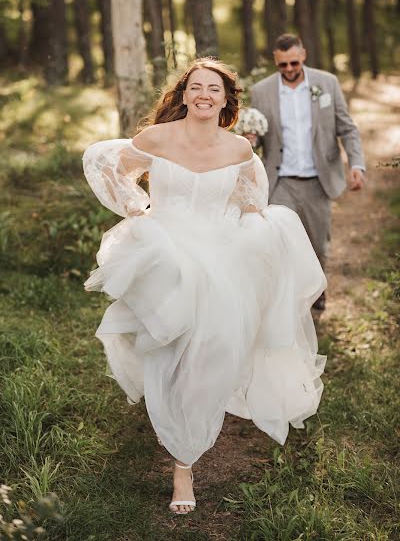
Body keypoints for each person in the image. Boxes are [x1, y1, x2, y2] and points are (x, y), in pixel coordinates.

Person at [82, 58, 327, 515]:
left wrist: (257, 238)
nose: (204, 95)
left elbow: (253, 202)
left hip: (219, 257)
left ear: (226, 99)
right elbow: (109, 164)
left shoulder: (237, 149)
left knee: (208, 349)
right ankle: (168, 404)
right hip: (166, 251)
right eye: (196, 87)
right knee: (166, 345)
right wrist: (137, 208)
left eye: (213, 89)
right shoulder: (158, 137)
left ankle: (184, 461)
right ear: (184, 93)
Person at [250, 34, 365, 311]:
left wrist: (356, 164)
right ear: (275, 61)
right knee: (279, 242)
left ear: (304, 55)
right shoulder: (261, 91)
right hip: (280, 181)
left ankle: (316, 295)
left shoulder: (327, 83)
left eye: (293, 63)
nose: (289, 69)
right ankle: (285, 301)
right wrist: (251, 139)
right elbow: (258, 138)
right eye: (282, 65)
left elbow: (347, 129)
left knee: (318, 245)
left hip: (318, 180)